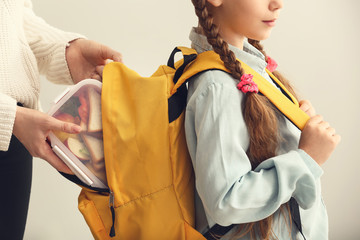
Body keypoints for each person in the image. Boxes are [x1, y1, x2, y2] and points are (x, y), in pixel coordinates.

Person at [185, 0, 341, 239]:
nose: (278, 4)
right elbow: (226, 202)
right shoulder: (219, 87)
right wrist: (307, 158)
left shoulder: (248, 68)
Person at [0, 0, 122, 239]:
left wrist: (66, 50)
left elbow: (11, 17)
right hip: (13, 121)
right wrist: (9, 117)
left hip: (16, 134)